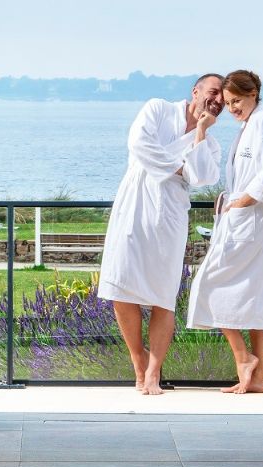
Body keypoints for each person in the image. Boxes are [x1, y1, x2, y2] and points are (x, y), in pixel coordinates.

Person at [96, 74, 225, 395]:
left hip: (169, 215)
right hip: (135, 204)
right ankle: (138, 360)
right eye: (212, 93)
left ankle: (153, 371)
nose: (217, 102)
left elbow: (204, 177)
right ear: (195, 91)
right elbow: (139, 145)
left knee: (163, 295)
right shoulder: (157, 109)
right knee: (120, 286)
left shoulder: (211, 143)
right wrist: (180, 168)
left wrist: (201, 132)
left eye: (222, 101)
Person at [186, 70, 263, 394]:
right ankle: (259, 379)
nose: (232, 108)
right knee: (257, 293)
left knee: (206, 282)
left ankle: (244, 359)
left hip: (249, 220)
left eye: (237, 101)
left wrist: (240, 203)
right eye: (228, 103)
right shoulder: (250, 125)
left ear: (253, 94)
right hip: (250, 221)